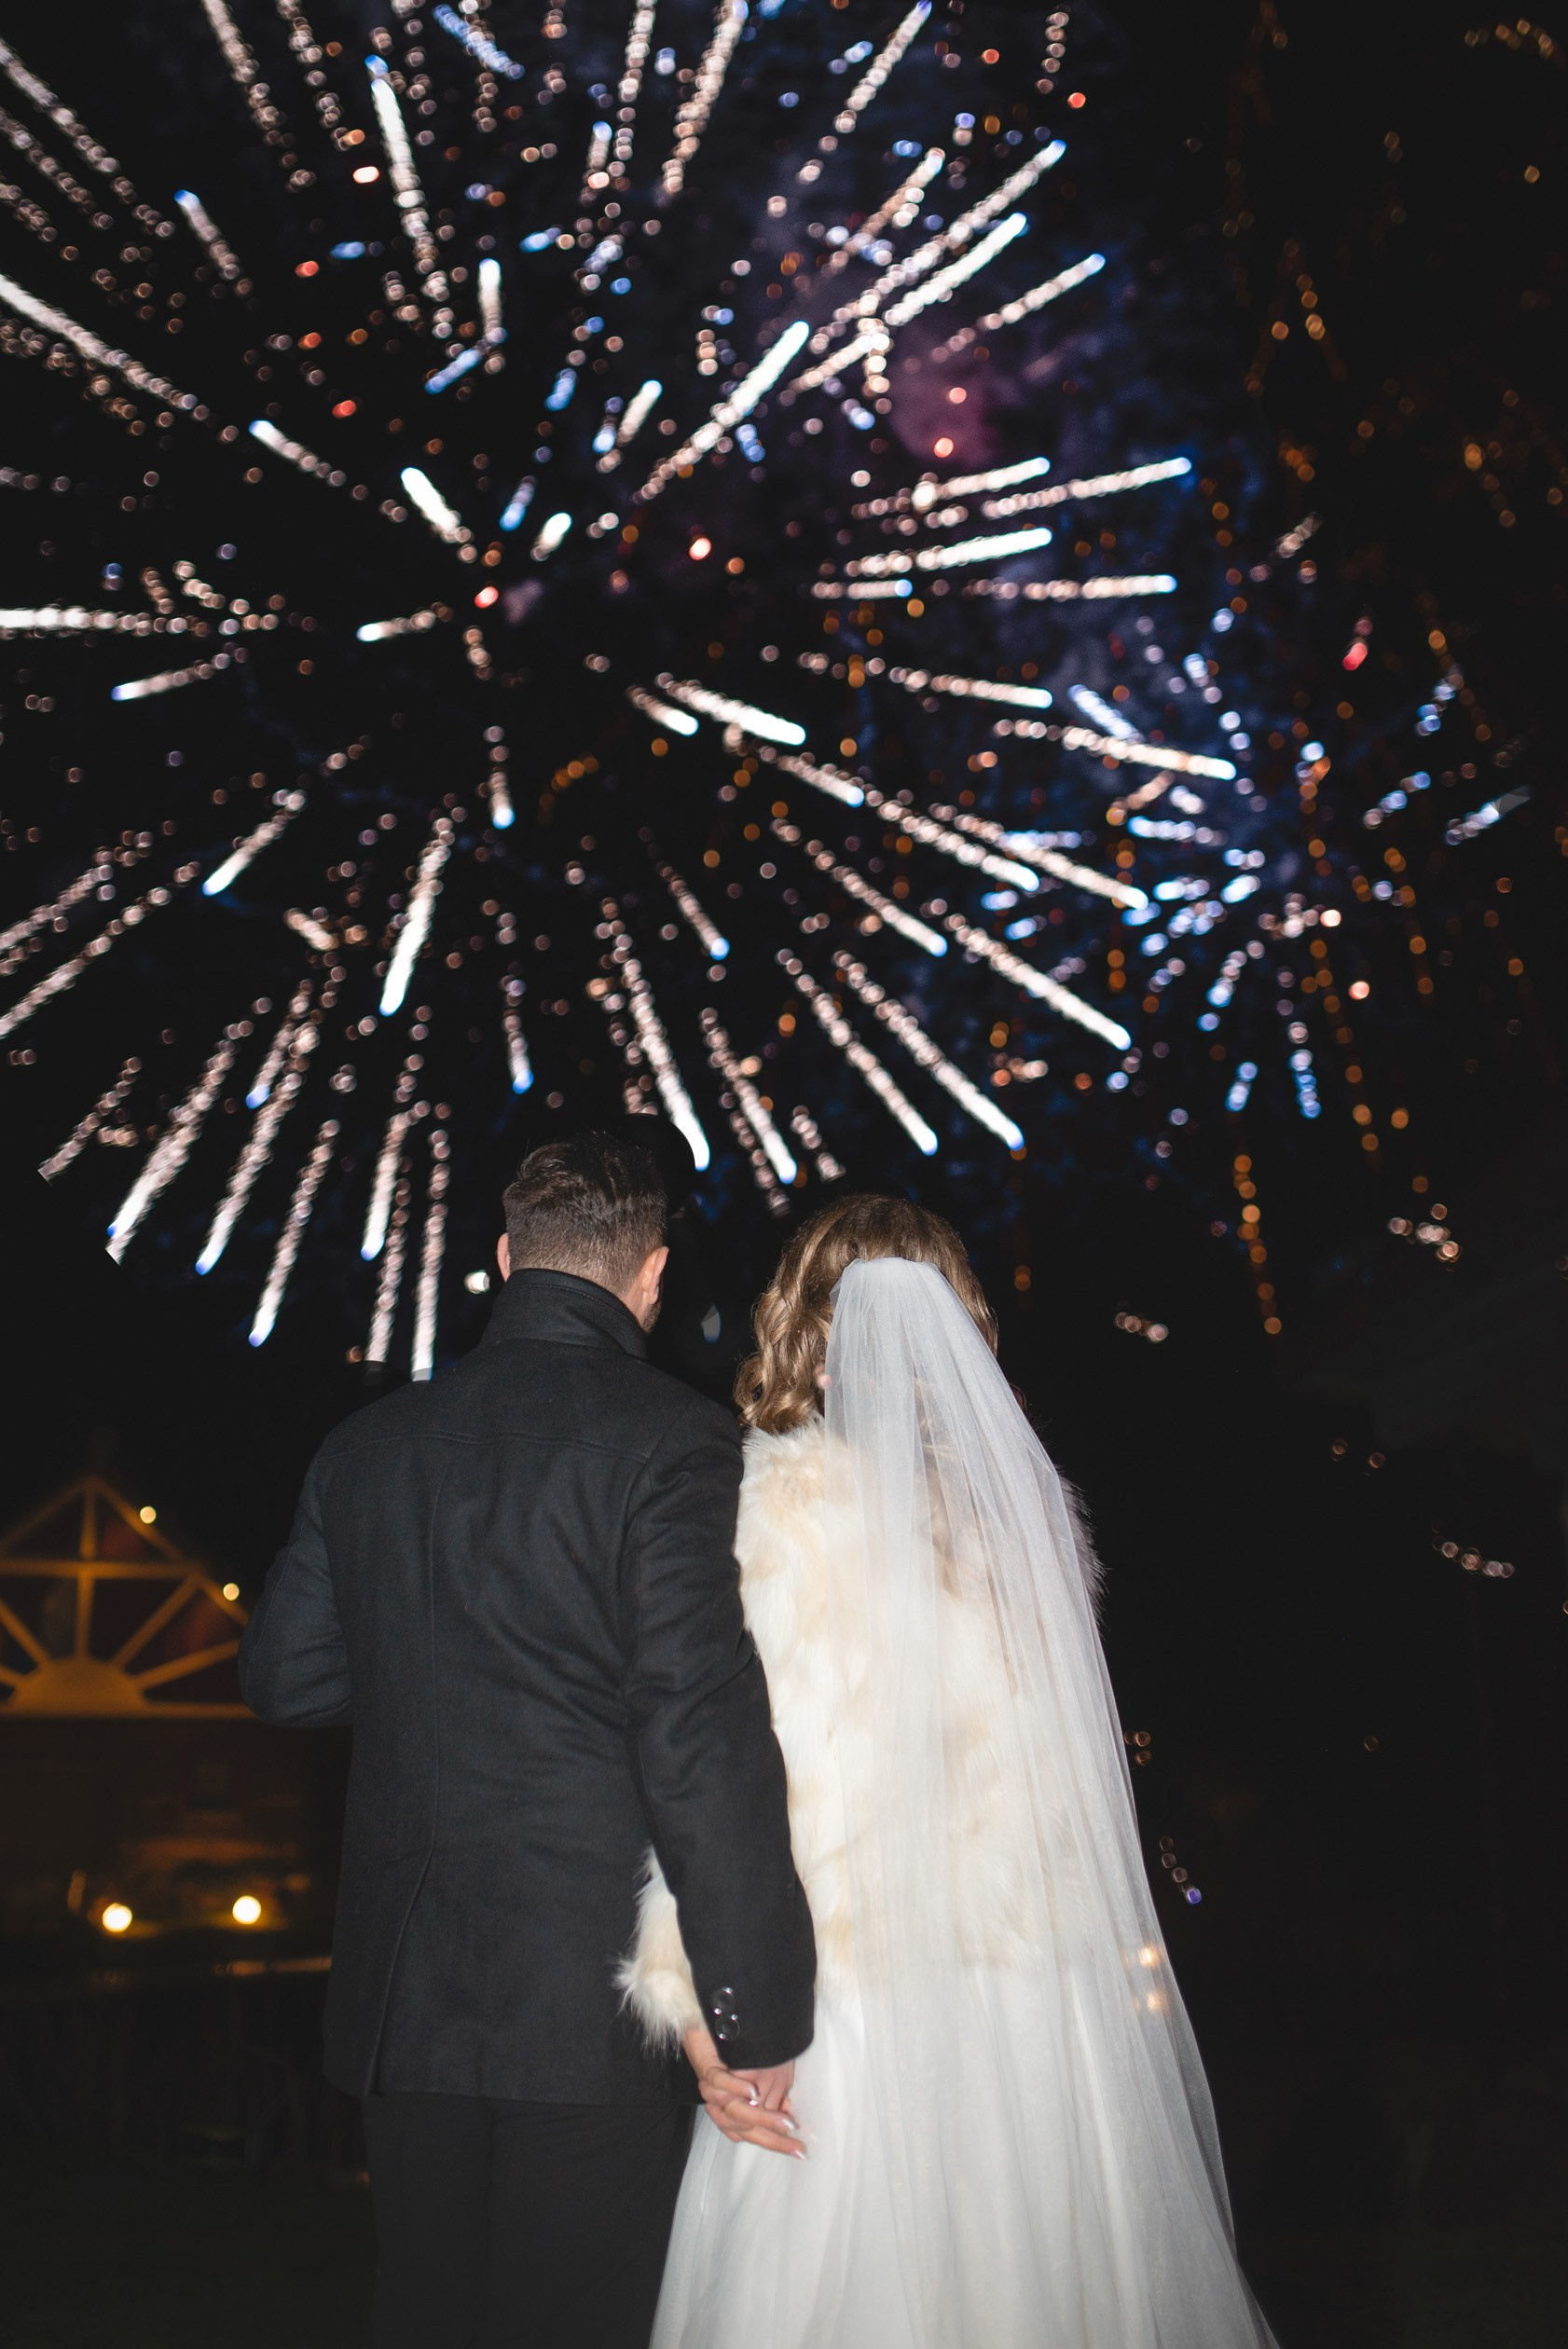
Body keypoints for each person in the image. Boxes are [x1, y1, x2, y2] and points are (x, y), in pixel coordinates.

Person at [623, 1194, 1280, 2349]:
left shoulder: (776, 1510)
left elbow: (742, 1782)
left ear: (806, 1339)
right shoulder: (1018, 1526)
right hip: (1033, 2010)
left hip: (850, 2014)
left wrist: (701, 2016)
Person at [239, 1131, 816, 2349]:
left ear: (504, 1259)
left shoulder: (366, 1445)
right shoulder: (675, 1443)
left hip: (404, 2007)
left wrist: (427, 1665)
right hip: (581, 2009)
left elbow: (287, 1680)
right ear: (651, 1276)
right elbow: (696, 1739)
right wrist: (752, 2015)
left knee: (428, 2318)